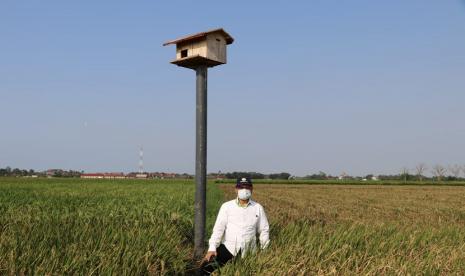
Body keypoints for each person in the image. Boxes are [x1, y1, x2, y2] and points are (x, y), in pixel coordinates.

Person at [201, 177, 270, 274]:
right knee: (205, 268)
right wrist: (212, 248)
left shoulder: (258, 208)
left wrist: (264, 250)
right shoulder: (227, 206)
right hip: (229, 248)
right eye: (241, 187)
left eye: (247, 187)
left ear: (252, 189)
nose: (244, 190)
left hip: (249, 252)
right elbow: (218, 229)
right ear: (236, 189)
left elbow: (264, 230)